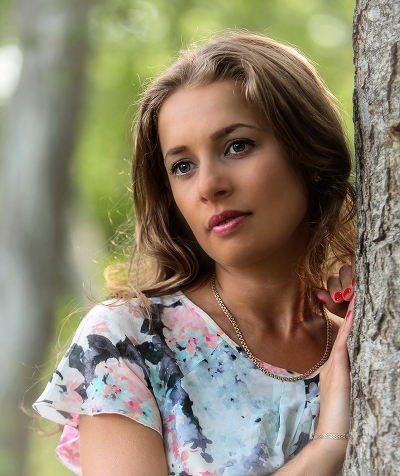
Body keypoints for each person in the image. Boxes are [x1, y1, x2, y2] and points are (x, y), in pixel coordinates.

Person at [33, 33, 356, 476]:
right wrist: (328, 447)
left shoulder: (363, 338)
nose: (208, 186)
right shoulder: (130, 341)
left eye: (237, 145)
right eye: (183, 166)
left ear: (308, 151)